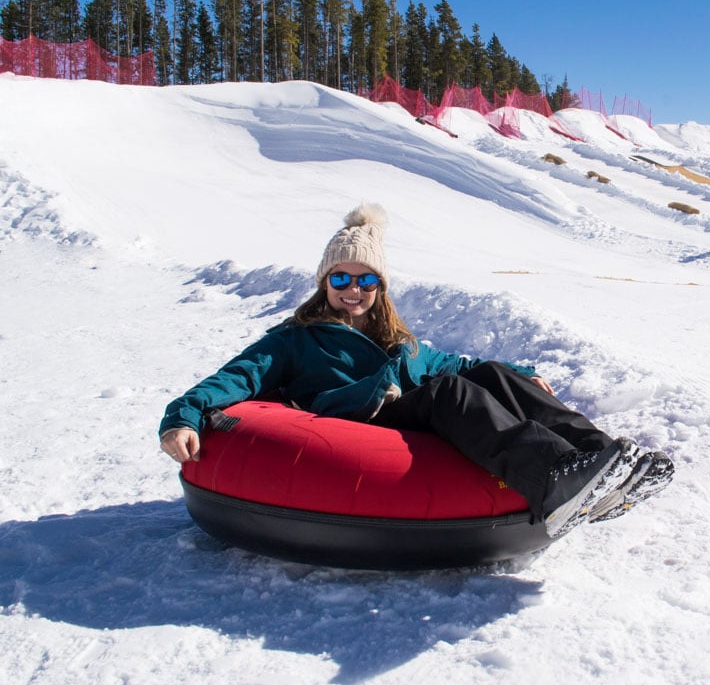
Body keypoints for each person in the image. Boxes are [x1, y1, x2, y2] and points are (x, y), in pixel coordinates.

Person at [159, 203, 673, 539]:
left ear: (380, 287)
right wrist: (183, 416)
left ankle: (601, 461)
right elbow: (236, 377)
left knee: (489, 371)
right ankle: (550, 478)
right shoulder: (297, 338)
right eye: (341, 277)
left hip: (403, 413)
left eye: (365, 280)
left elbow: (454, 362)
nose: (352, 289)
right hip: (357, 422)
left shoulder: (397, 340)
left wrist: (520, 371)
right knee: (448, 392)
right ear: (323, 281)